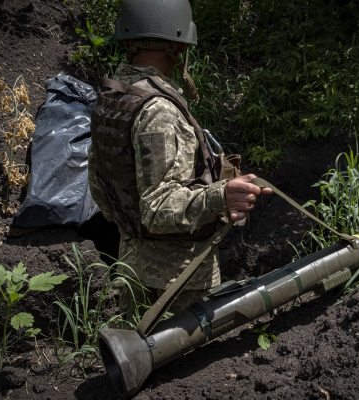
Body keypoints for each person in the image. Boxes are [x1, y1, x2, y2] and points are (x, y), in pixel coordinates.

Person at [87, 0, 271, 320]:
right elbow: (157, 206)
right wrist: (221, 196)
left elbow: (98, 184)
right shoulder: (157, 110)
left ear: (127, 40)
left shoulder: (115, 96)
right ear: (177, 44)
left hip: (130, 264)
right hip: (177, 281)